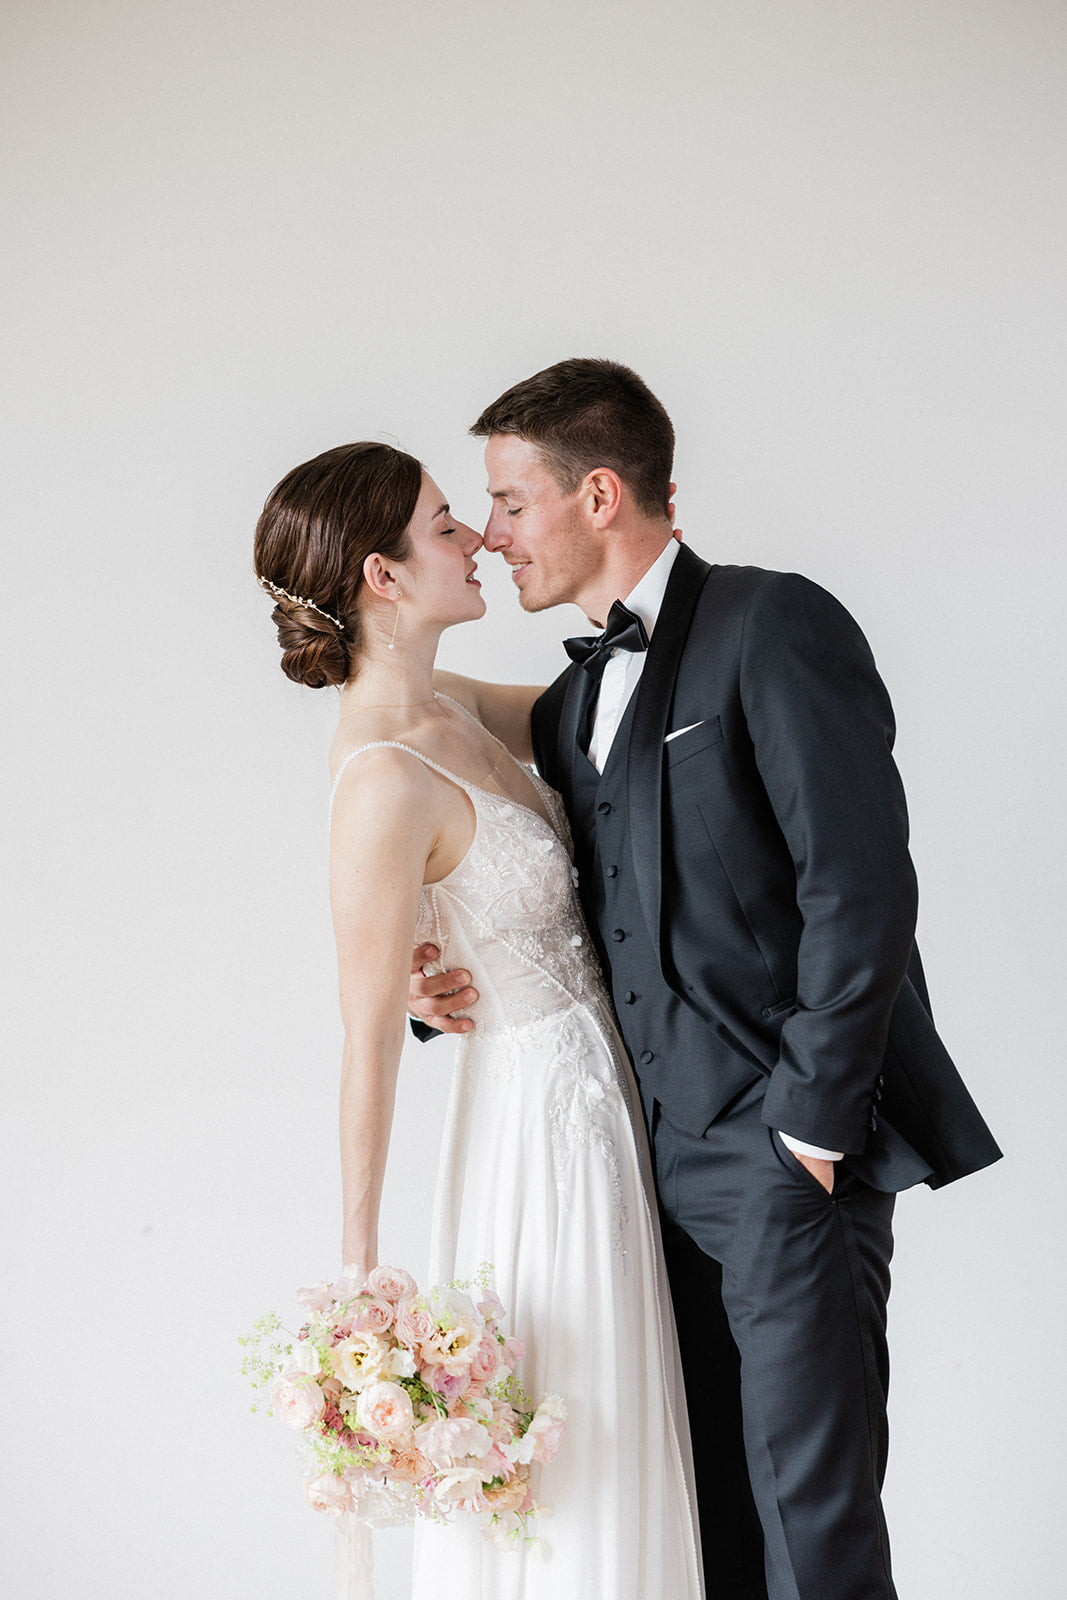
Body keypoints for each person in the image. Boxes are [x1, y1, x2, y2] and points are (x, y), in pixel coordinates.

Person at [408, 358, 1003, 1600]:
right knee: (705, 1519)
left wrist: (808, 1125)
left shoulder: (770, 623)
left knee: (811, 1517)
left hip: (781, 1155)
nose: (493, 534)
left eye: (509, 502)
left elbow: (859, 883)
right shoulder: (575, 697)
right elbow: (547, 880)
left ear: (599, 495)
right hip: (634, 1169)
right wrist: (435, 982)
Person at [253, 440, 704, 1600]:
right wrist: (358, 1273)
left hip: (606, 1095)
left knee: (628, 1425)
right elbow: (363, 1040)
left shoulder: (452, 703)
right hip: (534, 1138)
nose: (478, 539)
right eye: (446, 523)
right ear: (382, 577)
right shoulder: (379, 778)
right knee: (573, 1458)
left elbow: (604, 706)